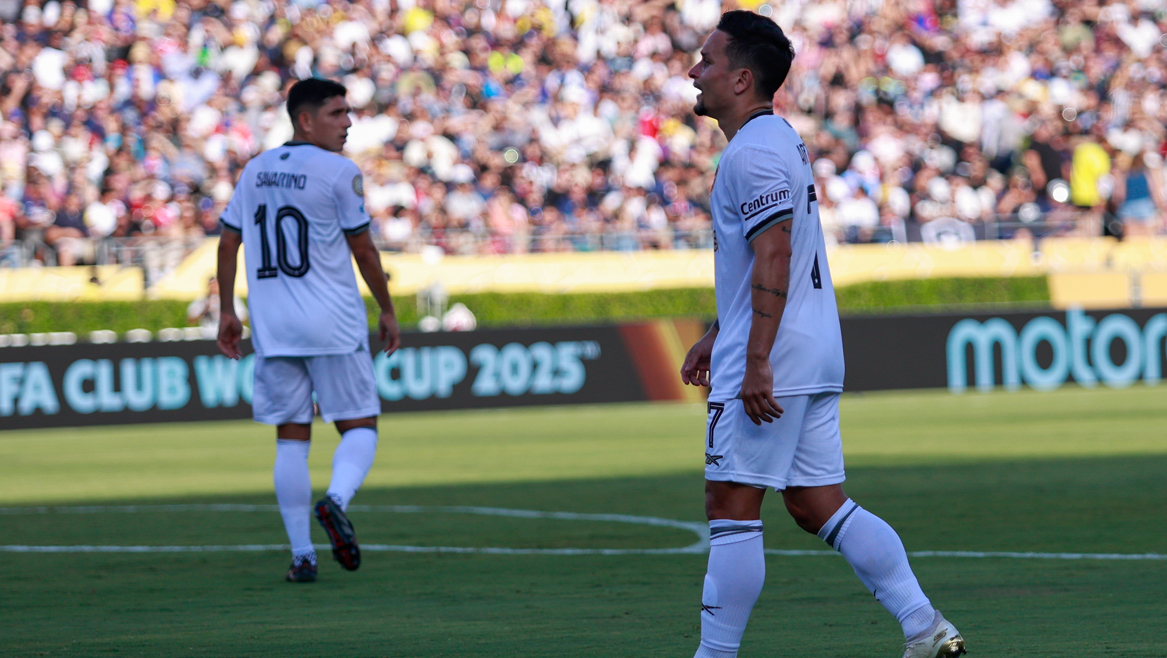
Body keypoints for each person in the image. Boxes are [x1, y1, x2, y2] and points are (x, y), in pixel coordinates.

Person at [679, 12, 966, 658]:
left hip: (774, 353)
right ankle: (923, 626)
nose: (693, 73)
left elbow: (775, 253)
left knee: (729, 505)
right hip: (810, 345)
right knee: (814, 503)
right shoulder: (779, 140)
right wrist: (718, 330)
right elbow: (768, 257)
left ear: (742, 78)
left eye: (706, 61)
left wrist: (752, 359)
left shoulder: (750, 152)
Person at [216, 78, 402, 583]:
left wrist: (227, 310)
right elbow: (363, 250)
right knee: (360, 425)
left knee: (290, 439)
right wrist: (387, 309)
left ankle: (302, 556)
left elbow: (229, 241)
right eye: (337, 113)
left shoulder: (255, 170)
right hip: (333, 322)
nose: (348, 122)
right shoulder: (339, 172)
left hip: (275, 327)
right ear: (305, 119)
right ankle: (336, 502)